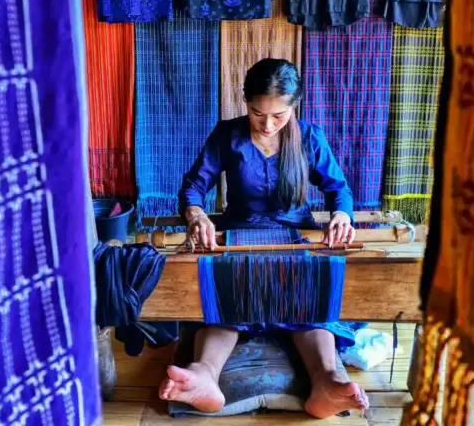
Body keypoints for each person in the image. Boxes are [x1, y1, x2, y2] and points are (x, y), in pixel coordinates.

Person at [157, 58, 369, 418]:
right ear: (245, 101)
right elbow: (194, 186)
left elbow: (339, 190)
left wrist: (341, 215)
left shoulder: (310, 138)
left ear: (293, 107)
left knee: (313, 298)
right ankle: (205, 376)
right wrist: (196, 215)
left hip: (294, 237)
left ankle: (326, 380)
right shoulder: (228, 135)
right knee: (221, 298)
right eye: (257, 113)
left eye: (279, 116)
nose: (268, 124)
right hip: (240, 237)